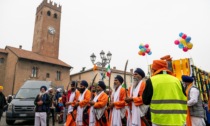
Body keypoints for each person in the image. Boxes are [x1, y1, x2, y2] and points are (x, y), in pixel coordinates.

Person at [142, 60, 187, 126]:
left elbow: (145, 101)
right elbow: (184, 97)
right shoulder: (177, 80)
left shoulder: (151, 81)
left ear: (154, 69)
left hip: (160, 121)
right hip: (178, 120)